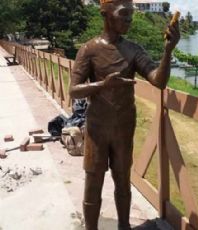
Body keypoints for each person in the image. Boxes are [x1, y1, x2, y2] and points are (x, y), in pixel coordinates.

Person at [69, 0, 180, 229]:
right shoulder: (89, 49)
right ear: (106, 13)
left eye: (131, 14)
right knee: (93, 181)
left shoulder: (133, 50)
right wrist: (102, 85)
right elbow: (73, 90)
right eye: (124, 14)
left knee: (122, 181)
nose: (129, 19)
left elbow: (158, 81)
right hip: (97, 130)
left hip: (123, 128)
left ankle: (124, 226)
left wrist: (168, 51)